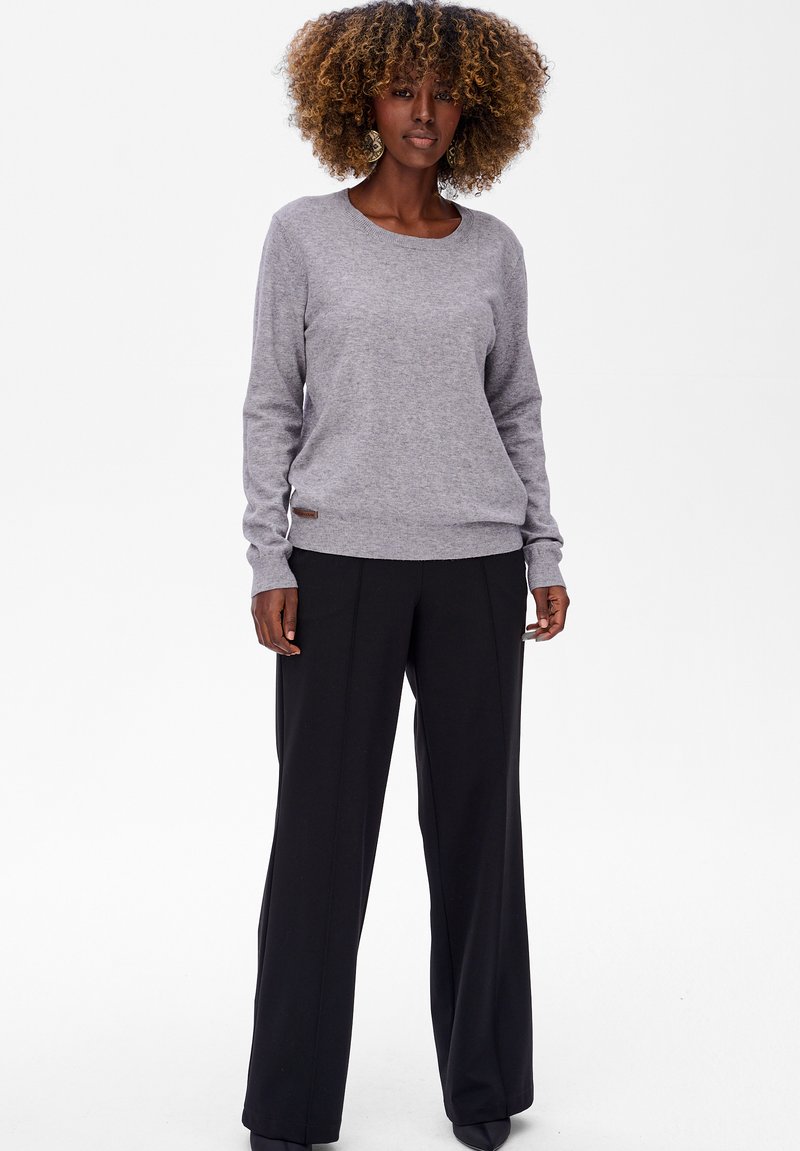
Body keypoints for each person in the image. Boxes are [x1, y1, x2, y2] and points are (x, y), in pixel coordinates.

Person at [240, 3, 570, 1149]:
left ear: (474, 104)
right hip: (337, 565)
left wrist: (542, 548)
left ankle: (484, 1088)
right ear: (360, 101)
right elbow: (271, 403)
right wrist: (268, 553)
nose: (421, 112)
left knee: (478, 836)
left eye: (440, 91)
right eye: (399, 89)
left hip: (476, 563)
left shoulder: (493, 252)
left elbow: (516, 405)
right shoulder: (302, 237)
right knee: (319, 841)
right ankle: (289, 1105)